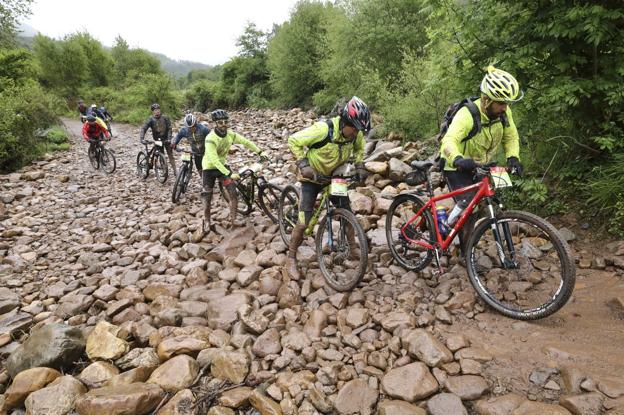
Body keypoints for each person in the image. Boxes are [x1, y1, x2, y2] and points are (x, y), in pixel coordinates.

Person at [286, 96, 371, 279]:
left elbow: (358, 150)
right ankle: (291, 258)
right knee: (304, 223)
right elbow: (293, 140)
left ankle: (354, 248)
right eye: (354, 129)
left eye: (359, 130)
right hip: (312, 177)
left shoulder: (356, 133)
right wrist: (303, 165)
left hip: (334, 176)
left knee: (347, 212)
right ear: (345, 121)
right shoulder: (323, 129)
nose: (356, 134)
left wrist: (359, 166)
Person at [439, 65, 524, 247]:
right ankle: (461, 248)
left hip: (481, 163)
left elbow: (511, 137)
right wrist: (457, 159)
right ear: (486, 100)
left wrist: (513, 158)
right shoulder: (467, 114)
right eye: (501, 103)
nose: (505, 107)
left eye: (507, 103)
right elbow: (449, 140)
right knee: (470, 206)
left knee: (489, 200)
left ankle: (460, 227)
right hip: (456, 165)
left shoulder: (504, 112)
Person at [201, 109, 269, 231]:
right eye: (220, 122)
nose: (223, 124)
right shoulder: (210, 138)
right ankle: (206, 220)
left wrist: (260, 152)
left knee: (233, 193)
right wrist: (230, 173)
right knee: (207, 196)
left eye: (225, 122)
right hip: (209, 169)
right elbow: (214, 160)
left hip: (222, 168)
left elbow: (246, 142)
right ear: (215, 124)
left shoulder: (230, 134)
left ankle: (233, 220)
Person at [140, 103, 177, 176]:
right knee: (160, 154)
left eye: (158, 110)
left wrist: (169, 138)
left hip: (166, 139)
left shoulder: (165, 118)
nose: (157, 111)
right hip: (157, 140)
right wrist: (142, 138)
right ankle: (164, 170)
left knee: (170, 155)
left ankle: (175, 171)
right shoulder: (150, 119)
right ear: (153, 111)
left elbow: (169, 128)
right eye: (155, 110)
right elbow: (144, 128)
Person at [171, 113, 210, 178]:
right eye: (189, 128)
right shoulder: (184, 130)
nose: (191, 129)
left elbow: (212, 137)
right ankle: (202, 179)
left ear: (196, 124)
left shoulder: (203, 129)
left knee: (208, 168)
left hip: (206, 151)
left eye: (193, 127)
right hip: (195, 152)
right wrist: (174, 144)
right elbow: (178, 136)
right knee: (199, 167)